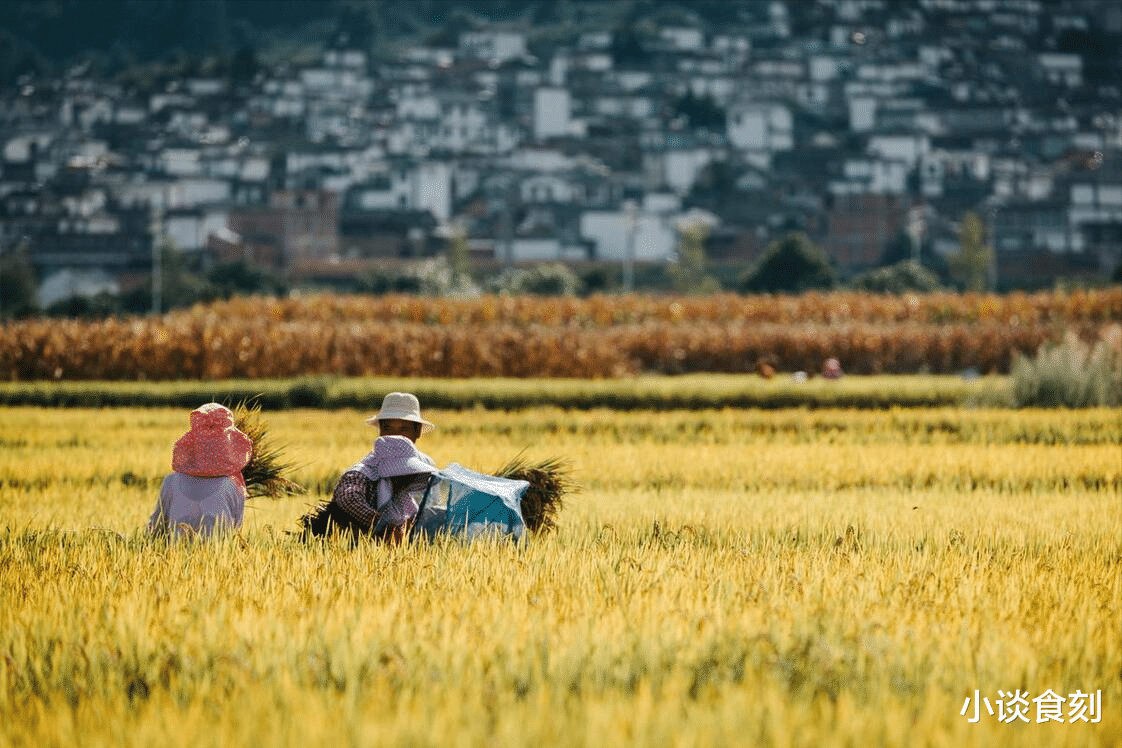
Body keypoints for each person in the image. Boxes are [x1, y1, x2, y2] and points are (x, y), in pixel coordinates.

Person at [148, 402, 252, 539]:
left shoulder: (171, 482)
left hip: (176, 558)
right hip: (219, 559)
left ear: (194, 441)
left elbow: (155, 530)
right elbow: (235, 534)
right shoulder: (235, 487)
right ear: (227, 443)